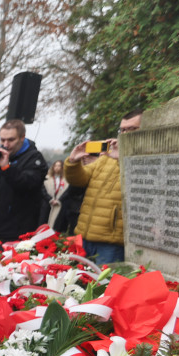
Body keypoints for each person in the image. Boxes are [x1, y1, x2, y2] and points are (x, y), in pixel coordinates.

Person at [64, 110, 142, 266]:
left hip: (111, 242)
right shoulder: (106, 157)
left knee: (103, 287)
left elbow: (140, 185)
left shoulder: (146, 155)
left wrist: (122, 158)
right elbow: (80, 180)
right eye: (123, 130)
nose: (125, 134)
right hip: (85, 236)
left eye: (132, 129)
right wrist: (73, 162)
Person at [44, 160, 68, 228]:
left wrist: (59, 200)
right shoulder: (47, 178)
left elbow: (67, 192)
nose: (57, 167)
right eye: (55, 166)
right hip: (48, 203)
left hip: (59, 203)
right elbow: (43, 191)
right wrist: (50, 199)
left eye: (59, 166)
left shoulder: (65, 180)